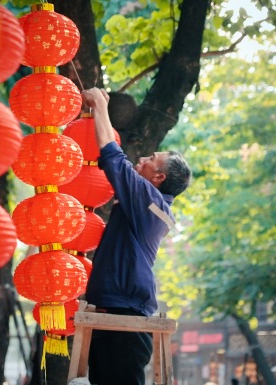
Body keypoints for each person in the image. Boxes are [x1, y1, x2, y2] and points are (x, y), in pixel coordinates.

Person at [80, 87, 192, 385]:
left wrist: (100, 107)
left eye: (150, 158)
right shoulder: (152, 205)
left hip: (126, 315)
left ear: (159, 178)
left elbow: (114, 160)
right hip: (115, 309)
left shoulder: (150, 200)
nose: (142, 158)